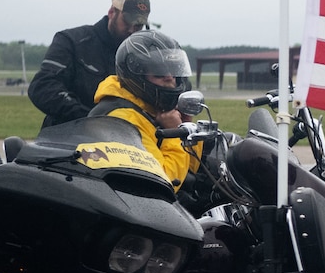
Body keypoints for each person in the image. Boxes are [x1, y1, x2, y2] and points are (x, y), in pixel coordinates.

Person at [35, 28, 202, 190]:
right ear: (137, 77)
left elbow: (190, 168)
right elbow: (166, 181)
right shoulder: (124, 118)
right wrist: (173, 134)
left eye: (173, 73)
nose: (170, 80)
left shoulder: (153, 111)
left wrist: (185, 128)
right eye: (159, 74)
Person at [28, 0, 152, 128]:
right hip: (69, 135)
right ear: (112, 12)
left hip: (125, 138)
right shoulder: (72, 41)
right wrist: (88, 119)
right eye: (127, 21)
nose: (131, 30)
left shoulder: (142, 55)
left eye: (138, 25)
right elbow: (42, 86)